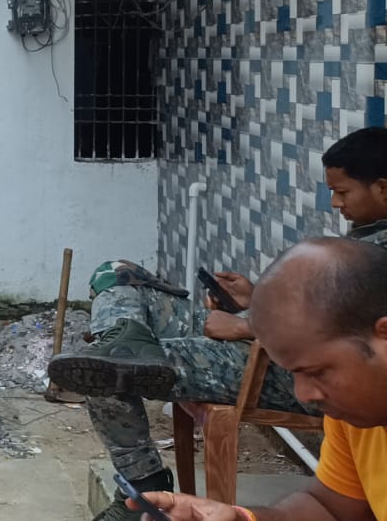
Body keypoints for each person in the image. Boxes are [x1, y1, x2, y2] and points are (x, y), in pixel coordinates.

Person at [50, 127, 387, 521]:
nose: (335, 203)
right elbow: (328, 509)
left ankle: (141, 473)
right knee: (116, 277)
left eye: (343, 192)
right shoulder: (358, 418)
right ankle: (126, 335)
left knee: (109, 371)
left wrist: (246, 327)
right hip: (257, 338)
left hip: (259, 359)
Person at [136, 237, 387, 520]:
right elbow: (330, 509)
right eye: (293, 373)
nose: (303, 394)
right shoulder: (357, 420)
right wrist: (240, 518)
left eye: (317, 372)